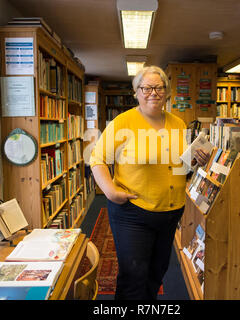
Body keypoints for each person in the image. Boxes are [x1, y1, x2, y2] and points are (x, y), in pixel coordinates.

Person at [89, 65, 210, 300]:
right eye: (146, 88)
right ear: (136, 92)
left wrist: (196, 161)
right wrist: (111, 192)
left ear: (166, 92)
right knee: (133, 276)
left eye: (159, 87)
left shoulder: (178, 124)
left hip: (170, 212)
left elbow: (180, 167)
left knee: (156, 273)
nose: (153, 93)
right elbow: (97, 160)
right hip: (133, 212)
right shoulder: (123, 123)